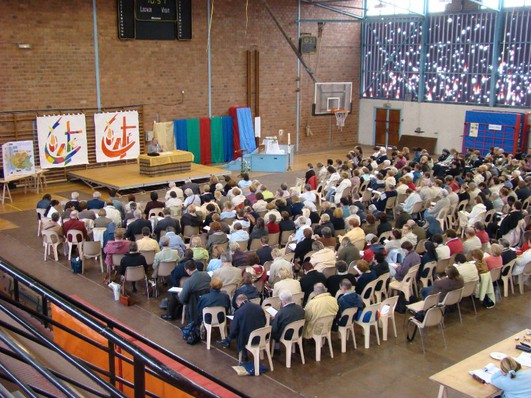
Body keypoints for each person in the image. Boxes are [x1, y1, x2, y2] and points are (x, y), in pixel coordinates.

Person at [217, 294, 266, 363]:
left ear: (240, 303)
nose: (237, 306)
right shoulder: (258, 307)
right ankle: (227, 341)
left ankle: (243, 355)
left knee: (238, 331)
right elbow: (264, 321)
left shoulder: (239, 312)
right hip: (262, 337)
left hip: (249, 339)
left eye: (237, 305)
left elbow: (233, 330)